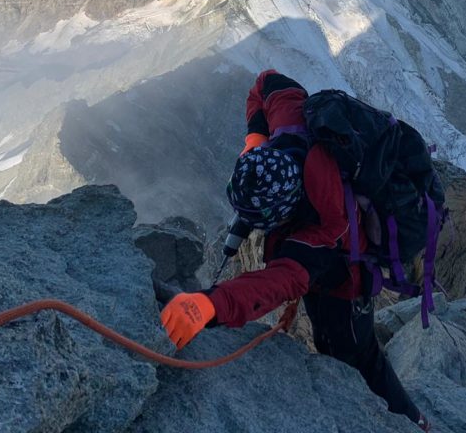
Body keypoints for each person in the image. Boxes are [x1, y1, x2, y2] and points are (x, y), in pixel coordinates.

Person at [160, 69, 430, 430]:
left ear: (285, 213)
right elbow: (268, 82)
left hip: (345, 283)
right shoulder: (290, 129)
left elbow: (276, 284)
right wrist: (255, 138)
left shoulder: (322, 230)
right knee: (335, 343)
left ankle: (413, 422)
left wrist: (211, 305)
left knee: (354, 354)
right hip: (320, 244)